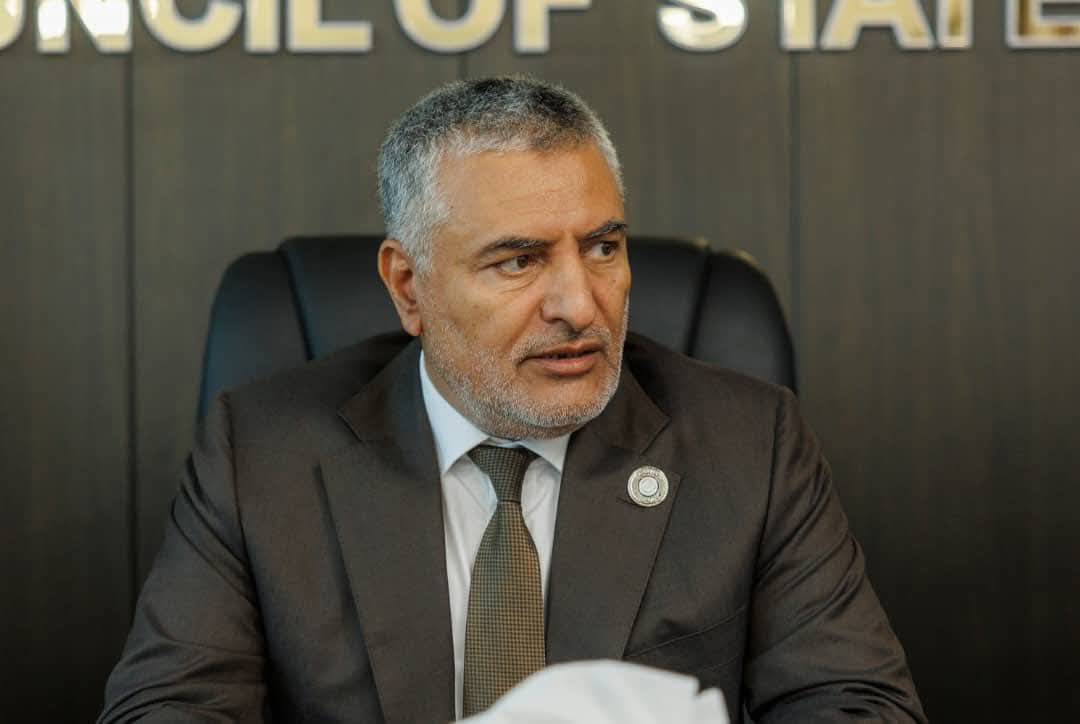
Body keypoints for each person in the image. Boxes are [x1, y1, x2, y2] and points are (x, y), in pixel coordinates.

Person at [100, 76, 926, 723]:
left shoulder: (748, 443)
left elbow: (855, 705)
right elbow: (169, 707)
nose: (579, 303)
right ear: (408, 286)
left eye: (602, 247)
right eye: (519, 261)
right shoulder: (261, 453)